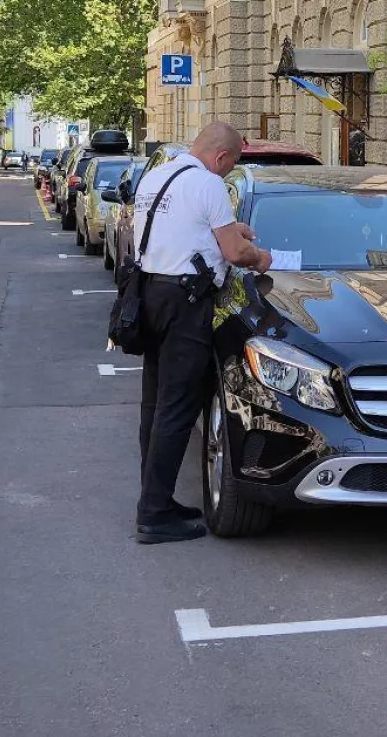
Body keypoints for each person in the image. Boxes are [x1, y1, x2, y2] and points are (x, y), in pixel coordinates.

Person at [130, 122, 271, 544]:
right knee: (177, 407)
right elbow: (235, 253)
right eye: (232, 166)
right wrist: (260, 256)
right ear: (222, 158)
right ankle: (155, 515)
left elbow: (183, 232)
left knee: (154, 404)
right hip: (185, 304)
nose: (229, 173)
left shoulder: (157, 176)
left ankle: (154, 497)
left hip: (150, 294)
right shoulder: (208, 184)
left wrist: (228, 233)